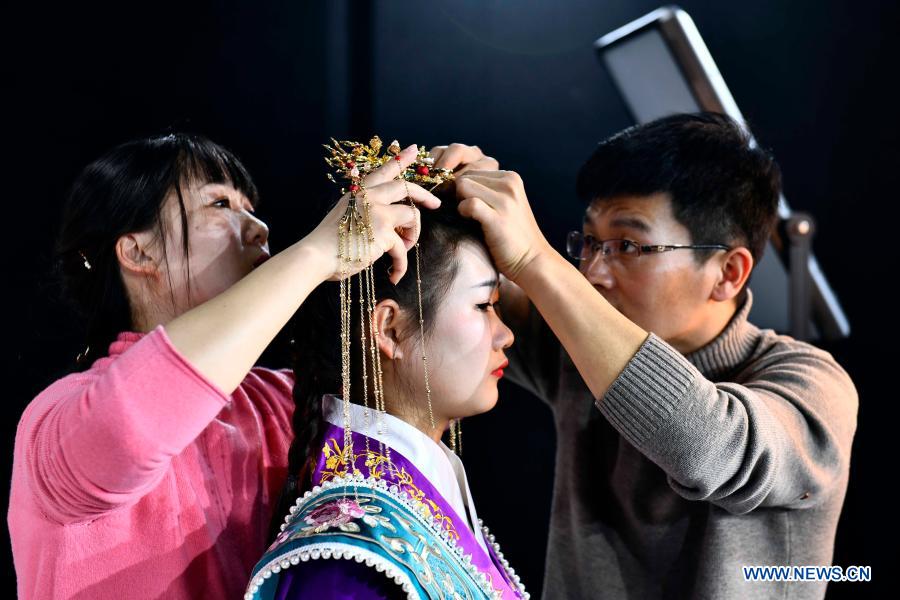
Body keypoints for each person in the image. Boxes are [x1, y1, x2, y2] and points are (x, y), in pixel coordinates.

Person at [434, 113, 859, 599]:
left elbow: (710, 449)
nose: (594, 272)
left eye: (628, 245)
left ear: (728, 273)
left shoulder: (811, 384)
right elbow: (467, 294)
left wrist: (536, 260)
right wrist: (456, 198)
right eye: (590, 241)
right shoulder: (576, 349)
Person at [8, 133, 441, 599]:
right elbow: (129, 429)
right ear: (138, 252)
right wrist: (316, 254)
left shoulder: (289, 399)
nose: (259, 228)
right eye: (220, 204)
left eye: (250, 207)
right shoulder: (55, 419)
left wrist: (465, 209)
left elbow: (443, 377)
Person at [245, 198, 527, 599]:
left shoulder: (412, 495)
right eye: (484, 306)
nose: (505, 335)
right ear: (390, 329)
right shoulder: (349, 552)